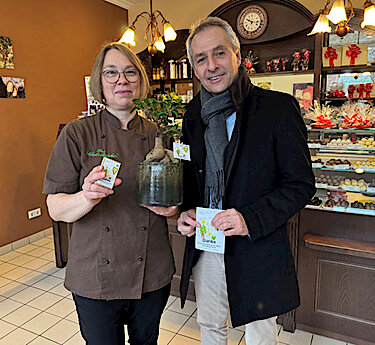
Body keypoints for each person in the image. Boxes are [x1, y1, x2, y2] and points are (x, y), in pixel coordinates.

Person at [177, 17, 316, 345]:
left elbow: (300, 184)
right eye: (201, 59)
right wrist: (185, 210)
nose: (211, 66)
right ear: (194, 68)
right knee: (210, 327)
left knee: (259, 334)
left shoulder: (277, 109)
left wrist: (248, 219)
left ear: (238, 55)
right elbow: (191, 175)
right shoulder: (193, 115)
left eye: (219, 53)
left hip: (257, 244)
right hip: (207, 241)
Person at [43, 42, 177, 345]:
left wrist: (173, 210)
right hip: (94, 276)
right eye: (111, 73)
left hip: (151, 270)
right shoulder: (77, 134)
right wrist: (86, 196)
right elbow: (55, 208)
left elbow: (176, 200)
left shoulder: (160, 135)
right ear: (99, 83)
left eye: (130, 72)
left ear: (140, 81)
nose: (122, 80)